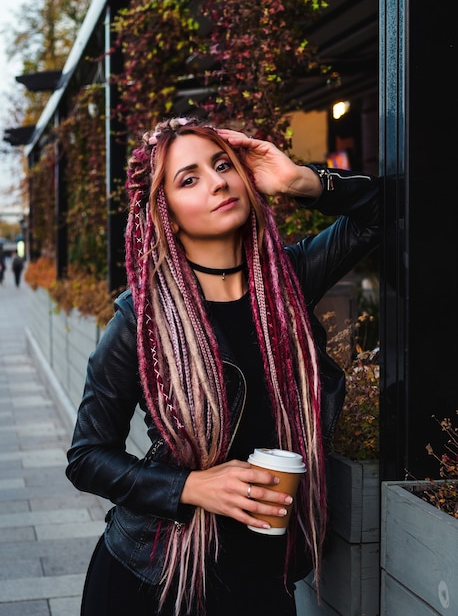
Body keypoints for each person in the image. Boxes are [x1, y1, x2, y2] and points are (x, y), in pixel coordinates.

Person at [66, 116, 380, 616]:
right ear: (164, 210)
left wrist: (302, 180)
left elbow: (385, 211)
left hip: (264, 579)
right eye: (189, 179)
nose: (216, 182)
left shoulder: (288, 279)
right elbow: (86, 457)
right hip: (156, 578)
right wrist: (192, 486)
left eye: (222, 165)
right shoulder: (141, 317)